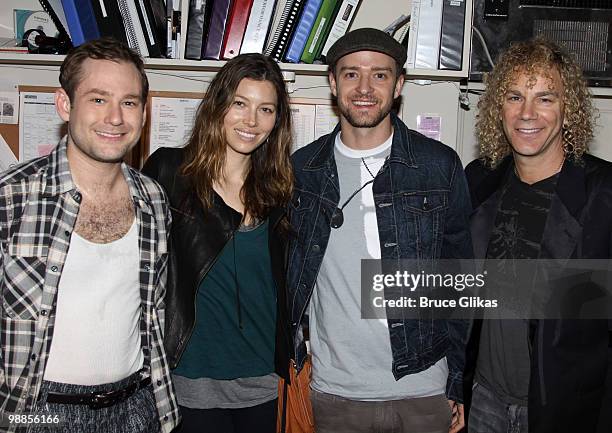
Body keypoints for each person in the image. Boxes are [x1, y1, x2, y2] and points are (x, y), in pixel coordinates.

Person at [287, 28, 472, 433]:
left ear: (399, 84)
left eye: (380, 75)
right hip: (337, 393)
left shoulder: (438, 165)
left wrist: (458, 380)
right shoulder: (302, 171)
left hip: (423, 388)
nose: (365, 88)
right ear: (333, 83)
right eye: (351, 74)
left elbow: (460, 283)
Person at [0, 38, 179, 432]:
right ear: (65, 104)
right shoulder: (10, 198)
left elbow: (155, 313)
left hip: (138, 408)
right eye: (98, 99)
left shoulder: (153, 200)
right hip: (37, 411)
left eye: (129, 102)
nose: (115, 118)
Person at [464, 38, 612, 433]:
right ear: (500, 107)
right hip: (483, 401)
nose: (527, 113)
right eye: (515, 96)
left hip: (565, 408)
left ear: (568, 111)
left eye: (545, 98)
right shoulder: (477, 181)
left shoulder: (604, 195)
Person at [142, 53, 293, 433]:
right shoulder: (169, 173)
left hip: (262, 382)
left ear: (277, 121)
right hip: (191, 381)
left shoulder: (281, 192)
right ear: (218, 105)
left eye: (266, 109)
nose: (251, 121)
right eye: (240, 104)